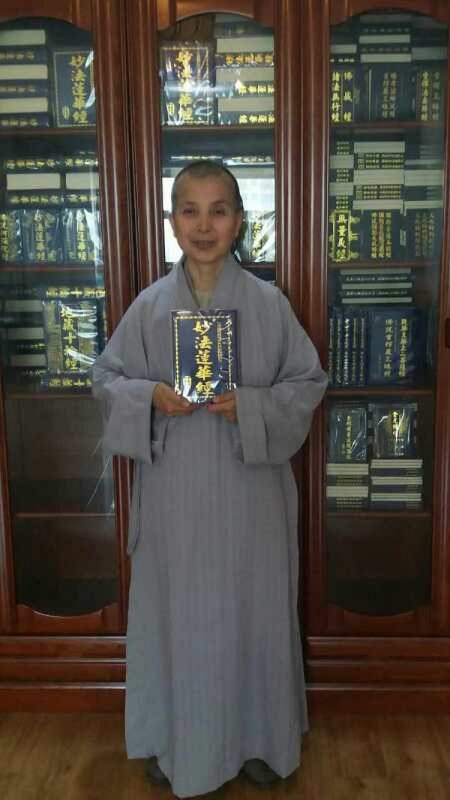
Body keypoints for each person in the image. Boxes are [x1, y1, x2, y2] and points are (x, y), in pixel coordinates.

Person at [92, 160, 327, 798]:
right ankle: (178, 741)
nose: (204, 225)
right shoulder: (149, 307)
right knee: (180, 621)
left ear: (239, 222)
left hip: (251, 501)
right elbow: (105, 380)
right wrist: (149, 396)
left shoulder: (268, 305)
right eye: (189, 211)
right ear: (172, 223)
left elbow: (307, 383)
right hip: (176, 501)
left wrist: (250, 405)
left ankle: (259, 741)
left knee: (256, 616)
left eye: (218, 210)